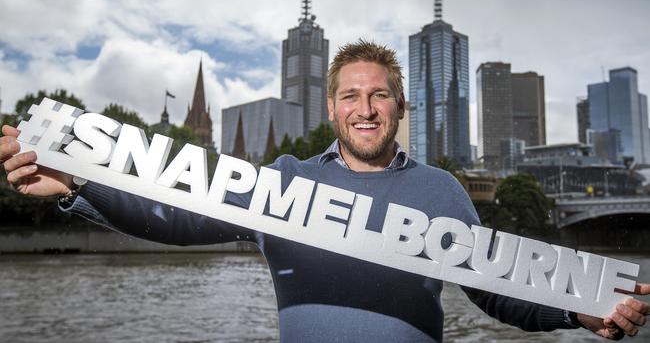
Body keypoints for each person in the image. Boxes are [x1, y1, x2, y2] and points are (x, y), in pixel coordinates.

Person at [1, 40, 648, 342]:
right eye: (350, 96)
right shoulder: (285, 180)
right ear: (334, 109)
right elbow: (175, 219)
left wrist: (575, 309)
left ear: (398, 106)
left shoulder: (443, 189)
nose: (364, 108)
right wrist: (80, 183)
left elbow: (494, 294)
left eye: (378, 95)